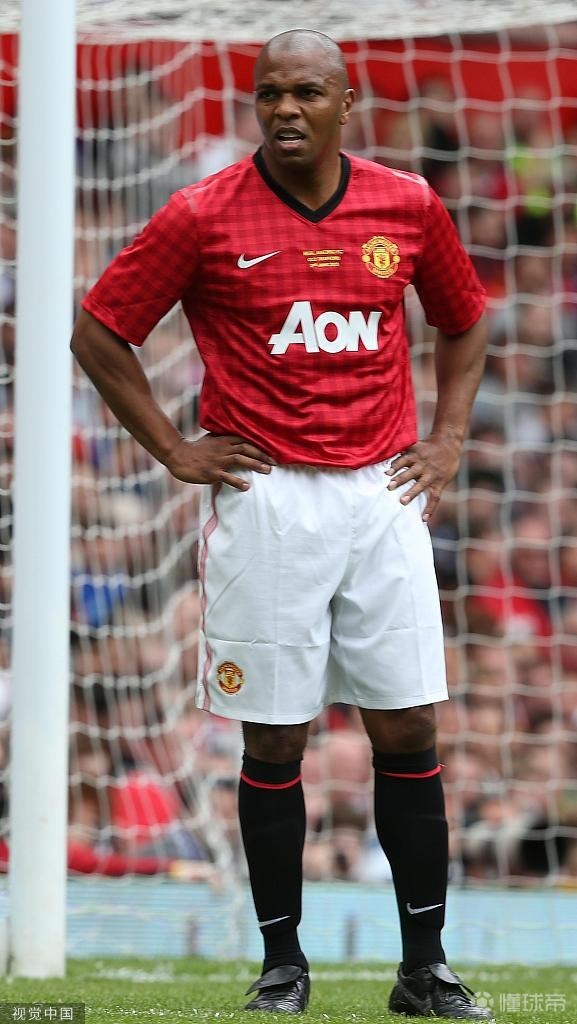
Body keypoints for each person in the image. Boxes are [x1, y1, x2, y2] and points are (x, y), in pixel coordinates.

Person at [71, 29, 490, 1020]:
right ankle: (281, 967)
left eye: (306, 92)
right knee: (273, 736)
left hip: (382, 491)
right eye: (269, 95)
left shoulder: (406, 204)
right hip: (266, 496)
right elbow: (97, 330)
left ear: (346, 104)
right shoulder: (201, 214)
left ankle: (423, 968)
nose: (286, 109)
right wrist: (174, 449)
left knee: (408, 724)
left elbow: (463, 317)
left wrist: (446, 439)